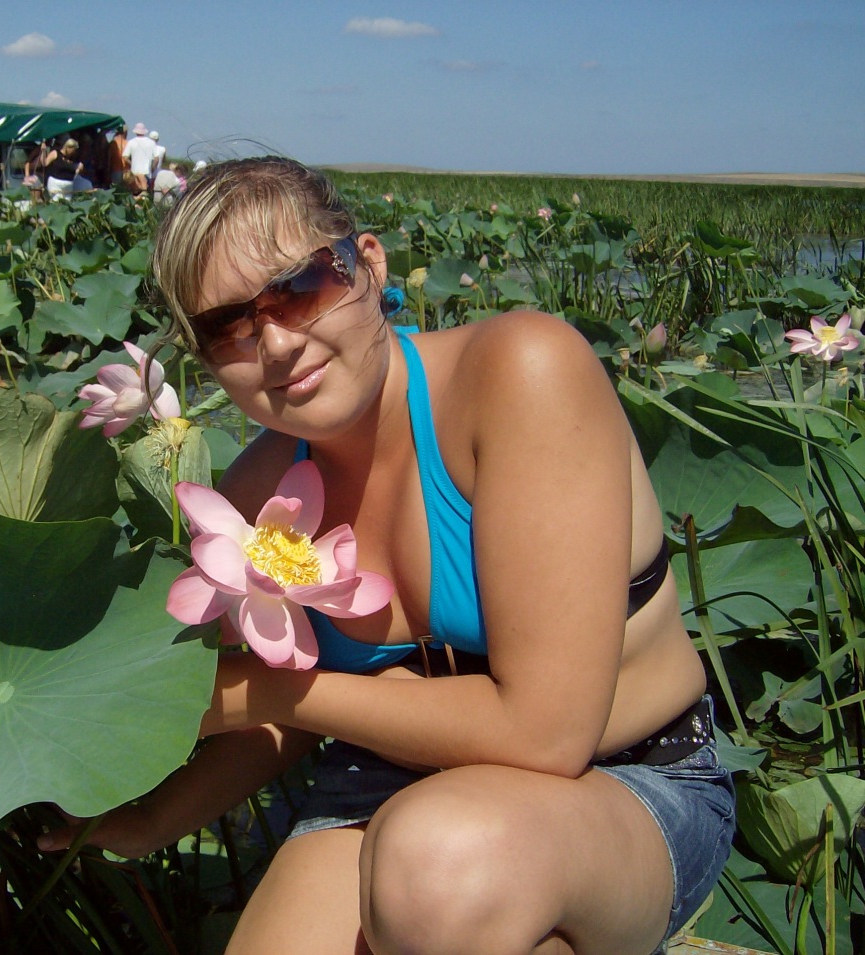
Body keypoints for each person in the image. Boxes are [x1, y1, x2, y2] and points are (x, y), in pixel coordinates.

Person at [41, 157, 735, 955]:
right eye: (228, 325)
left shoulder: (522, 372)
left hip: (624, 780)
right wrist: (157, 814)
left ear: (367, 264)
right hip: (388, 778)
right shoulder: (258, 490)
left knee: (438, 869)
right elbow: (292, 718)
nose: (276, 343)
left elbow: (546, 734)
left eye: (300, 286)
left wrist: (266, 690)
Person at [121, 122, 159, 194]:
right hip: (147, 172)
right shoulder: (151, 142)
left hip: (135, 172)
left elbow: (125, 157)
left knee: (135, 194)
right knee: (146, 194)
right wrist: (153, 168)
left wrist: (132, 163)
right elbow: (156, 158)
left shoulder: (131, 142)